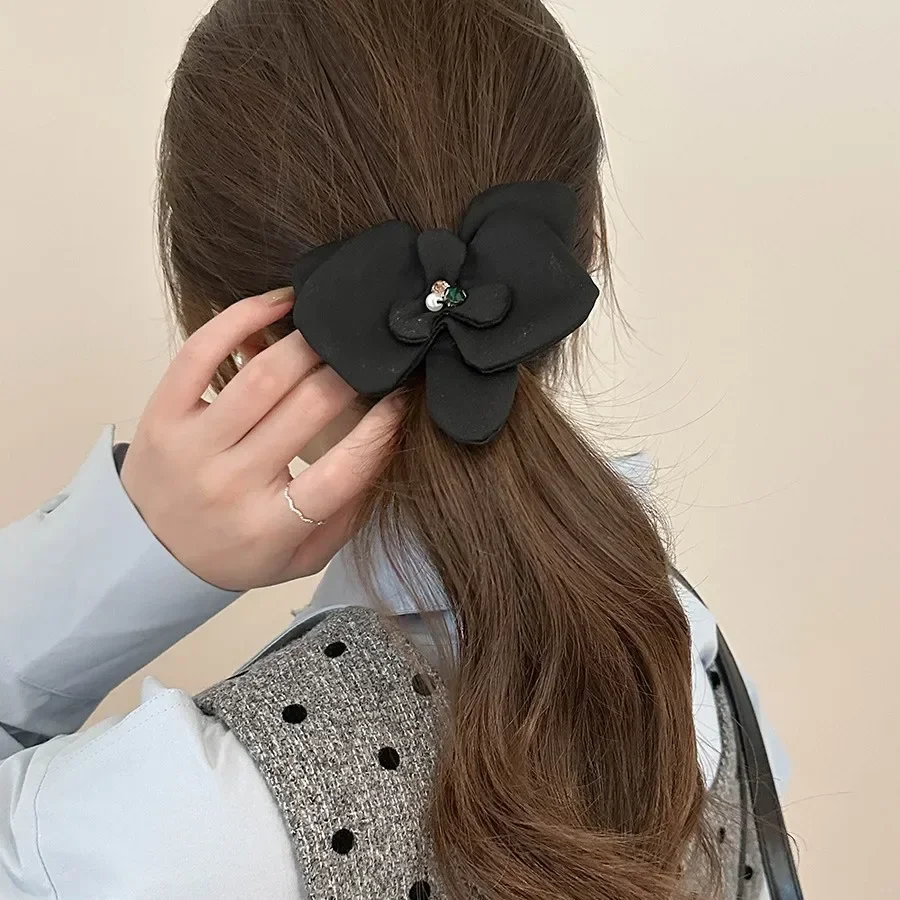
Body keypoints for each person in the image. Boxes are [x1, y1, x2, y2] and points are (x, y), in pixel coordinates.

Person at [0, 1, 791, 898]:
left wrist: (136, 553)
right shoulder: (683, 655)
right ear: (581, 256)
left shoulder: (147, 828)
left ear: (237, 339)